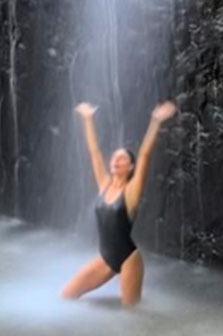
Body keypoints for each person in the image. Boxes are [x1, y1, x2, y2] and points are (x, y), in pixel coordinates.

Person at [61, 99, 177, 307]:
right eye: (114, 157)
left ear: (131, 167)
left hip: (128, 259)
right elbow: (94, 152)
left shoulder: (131, 192)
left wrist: (155, 121)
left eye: (122, 159)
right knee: (67, 295)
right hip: (106, 257)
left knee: (129, 318)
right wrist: (88, 119)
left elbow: (144, 155)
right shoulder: (104, 184)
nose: (116, 160)